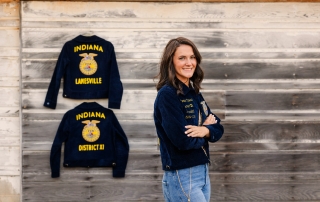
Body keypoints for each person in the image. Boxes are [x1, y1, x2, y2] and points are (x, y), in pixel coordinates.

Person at [153, 37, 224, 202]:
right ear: (170, 62)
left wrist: (204, 130)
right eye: (182, 58)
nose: (189, 62)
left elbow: (218, 127)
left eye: (192, 57)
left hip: (202, 171)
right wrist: (206, 133)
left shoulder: (194, 93)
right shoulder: (167, 95)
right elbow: (183, 141)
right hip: (182, 174)